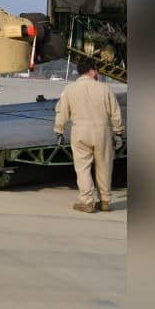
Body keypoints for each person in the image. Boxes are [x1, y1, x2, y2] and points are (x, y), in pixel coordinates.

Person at [54, 59, 125, 213]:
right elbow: (115, 112)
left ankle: (86, 201)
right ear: (92, 71)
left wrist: (59, 131)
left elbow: (62, 112)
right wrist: (118, 132)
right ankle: (105, 201)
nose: (97, 73)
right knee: (104, 166)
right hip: (102, 131)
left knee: (83, 168)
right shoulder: (104, 88)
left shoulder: (69, 89)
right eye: (96, 70)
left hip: (80, 131)